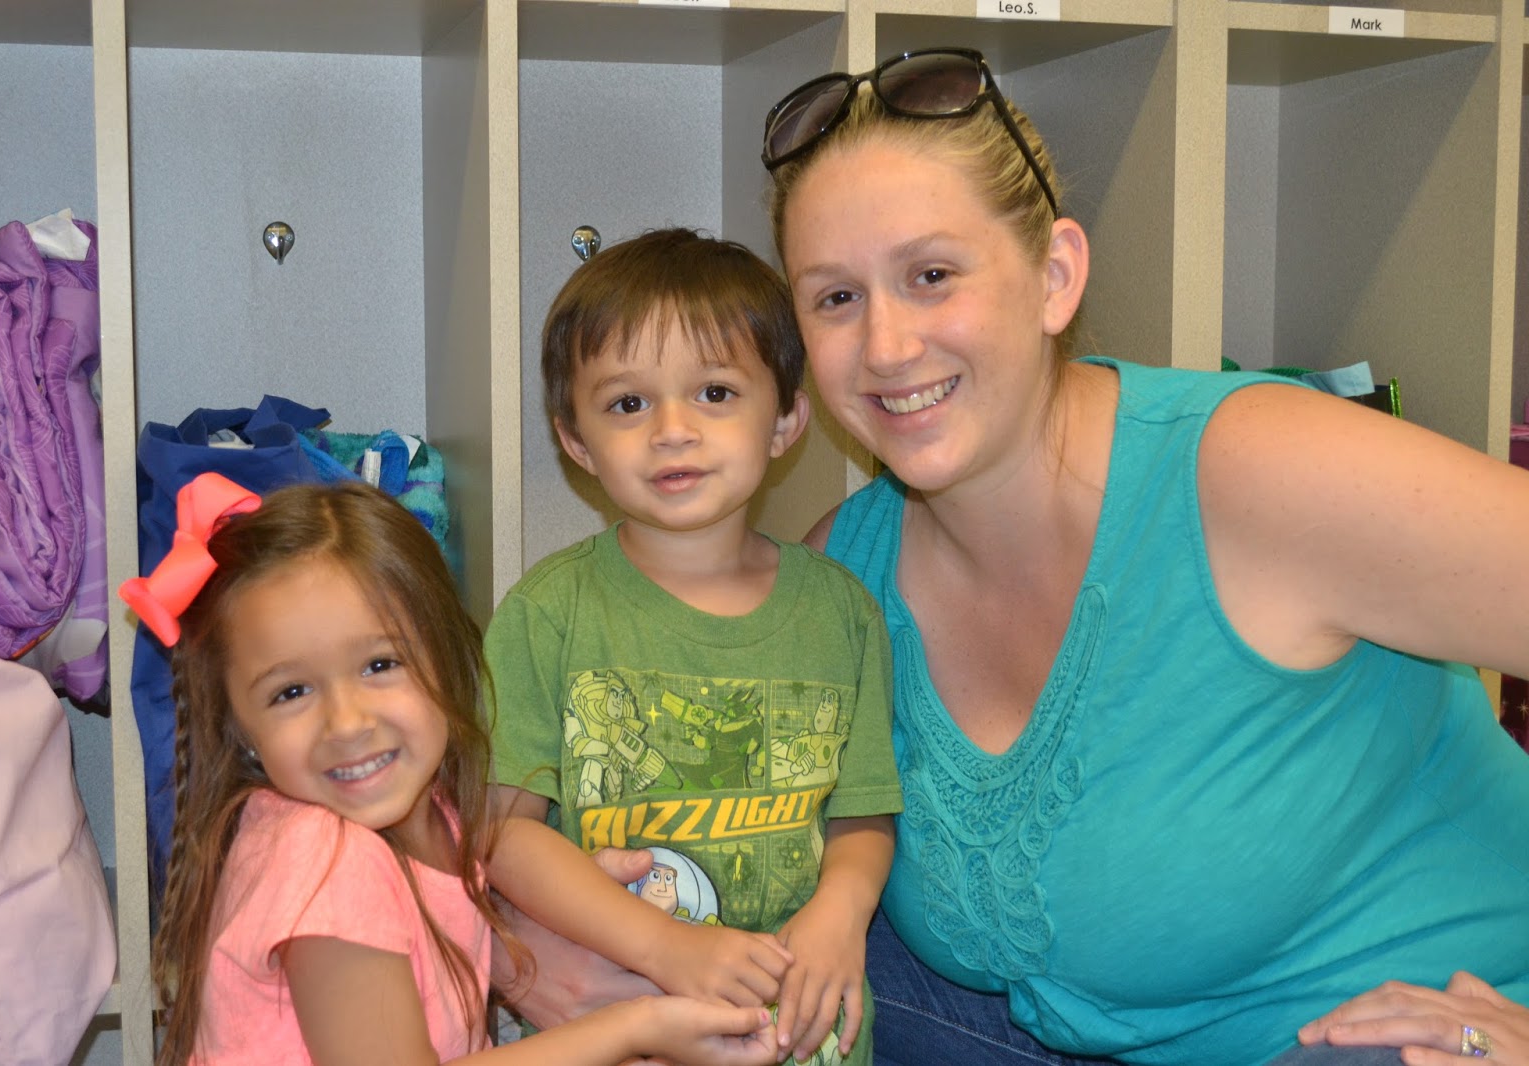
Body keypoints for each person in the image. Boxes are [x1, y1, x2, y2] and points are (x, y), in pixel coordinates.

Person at [493, 47, 1529, 1066]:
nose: (887, 346)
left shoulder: (1253, 469)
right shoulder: (839, 577)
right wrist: (535, 956)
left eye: (931, 275)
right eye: (836, 298)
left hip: (1387, 1035)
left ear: (1053, 277)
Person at [120, 473, 782, 1066]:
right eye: (291, 692)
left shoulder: (429, 813)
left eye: (380, 665)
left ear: (444, 653)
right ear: (241, 727)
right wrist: (633, 1028)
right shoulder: (327, 860)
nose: (346, 723)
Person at [484, 227, 903, 1065]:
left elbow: (863, 811)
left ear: (786, 419)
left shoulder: (843, 614)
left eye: (714, 393)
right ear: (576, 440)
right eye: (628, 404)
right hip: (618, 1025)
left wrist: (841, 911)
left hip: (805, 1035)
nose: (672, 430)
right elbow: (503, 835)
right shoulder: (547, 614)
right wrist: (664, 945)